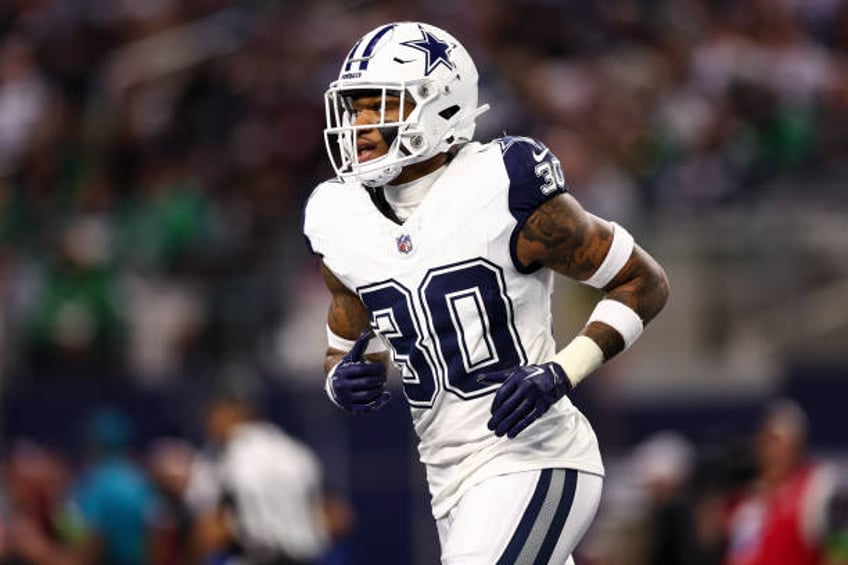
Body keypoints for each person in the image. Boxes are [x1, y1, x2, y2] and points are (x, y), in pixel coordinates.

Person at [302, 21, 669, 564]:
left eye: (378, 106)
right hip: (449, 482)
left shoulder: (502, 183)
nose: (359, 125)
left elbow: (642, 281)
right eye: (354, 108)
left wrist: (562, 371)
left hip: (534, 457)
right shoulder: (339, 213)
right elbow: (348, 335)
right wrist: (340, 378)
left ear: (440, 106)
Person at [184, 386, 351, 565]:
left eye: (214, 414)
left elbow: (208, 531)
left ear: (236, 412)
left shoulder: (222, 456)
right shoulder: (294, 450)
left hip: (255, 555)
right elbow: (339, 517)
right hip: (311, 556)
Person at [724, 399, 838, 565]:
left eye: (778, 442)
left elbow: (840, 545)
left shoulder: (816, 488)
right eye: (766, 442)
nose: (771, 452)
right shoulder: (750, 503)